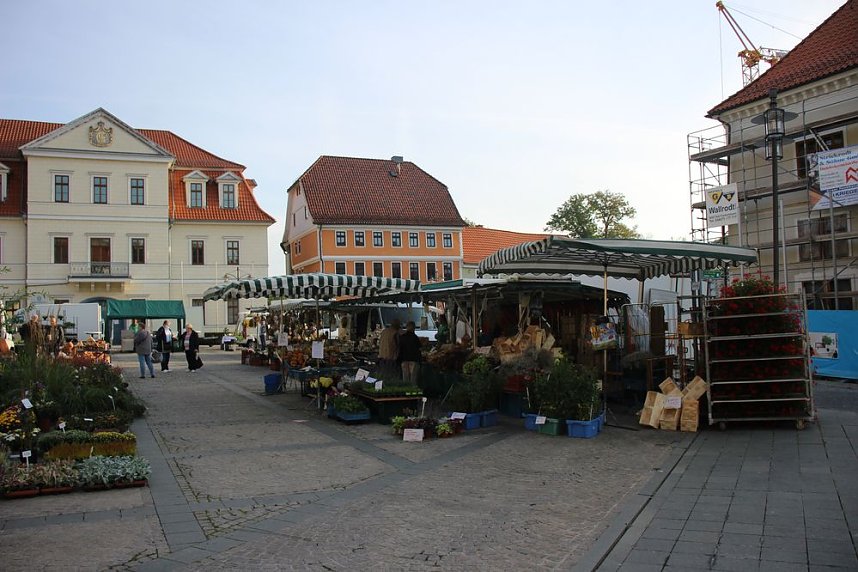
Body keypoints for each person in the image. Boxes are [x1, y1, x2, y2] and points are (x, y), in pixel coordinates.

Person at [398, 321, 422, 386]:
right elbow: (419, 348)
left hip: (404, 359)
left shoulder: (402, 337)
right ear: (413, 328)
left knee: (405, 378)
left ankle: (406, 390)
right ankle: (412, 390)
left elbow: (400, 348)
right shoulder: (415, 337)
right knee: (413, 378)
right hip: (413, 360)